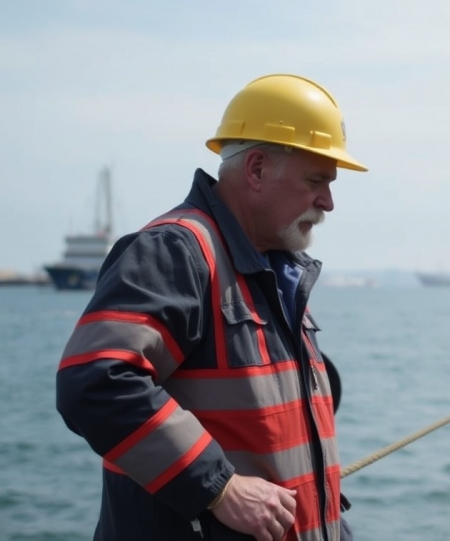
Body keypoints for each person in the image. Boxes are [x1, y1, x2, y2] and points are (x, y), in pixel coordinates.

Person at [55, 74, 367, 541]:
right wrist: (219, 489)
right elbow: (95, 380)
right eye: (317, 180)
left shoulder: (273, 271)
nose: (328, 201)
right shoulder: (175, 252)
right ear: (257, 169)